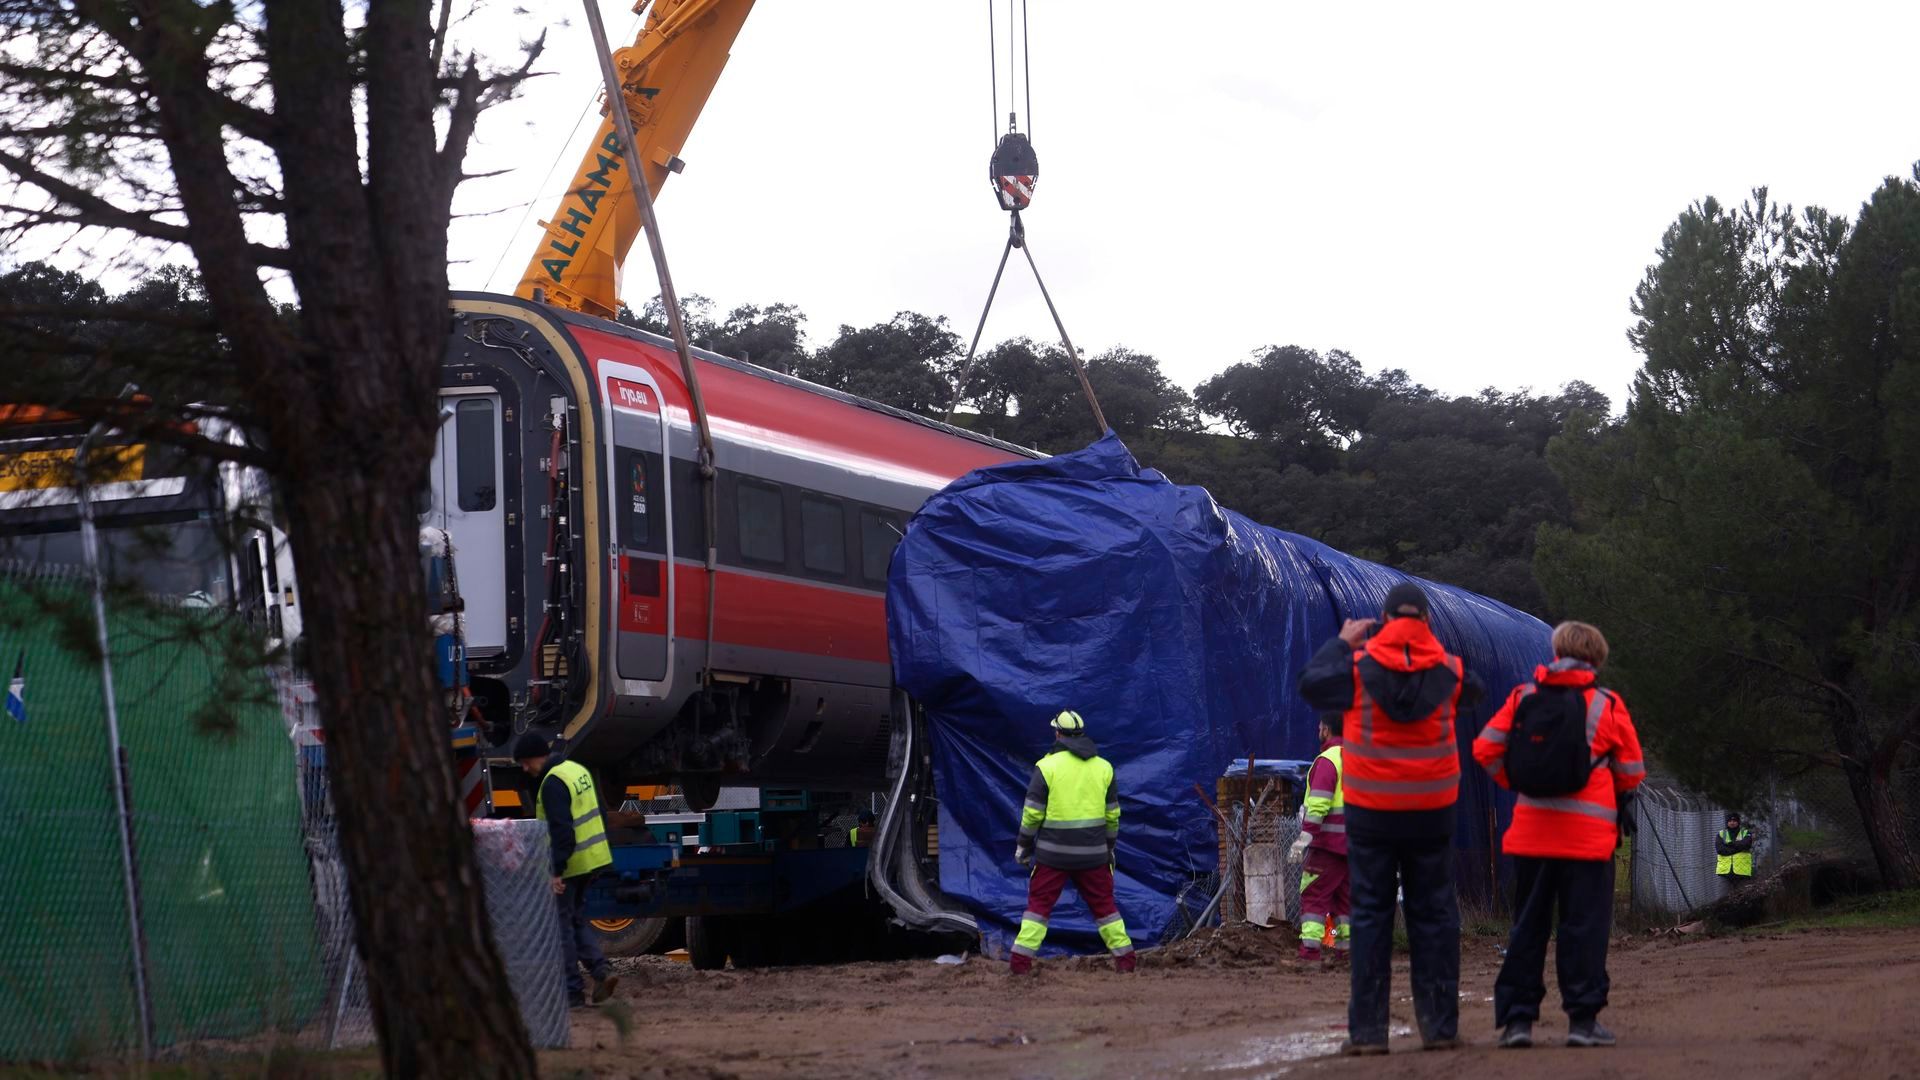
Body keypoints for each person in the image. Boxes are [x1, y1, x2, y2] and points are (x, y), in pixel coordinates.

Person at [1298, 582, 1483, 1054]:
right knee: (1434, 913)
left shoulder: (1357, 669)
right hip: (1432, 811)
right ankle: (1440, 1029)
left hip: (1372, 813)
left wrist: (1343, 643)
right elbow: (1474, 692)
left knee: (1370, 915)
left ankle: (1367, 1034)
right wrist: (1427, 650)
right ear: (1427, 621)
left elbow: (1312, 683)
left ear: (1382, 621)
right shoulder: (1449, 671)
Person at [1472, 620, 1646, 1050]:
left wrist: (1519, 781)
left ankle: (1517, 1022)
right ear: (1597, 658)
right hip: (1589, 841)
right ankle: (1582, 1023)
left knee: (1527, 928)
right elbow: (1631, 771)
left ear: (1556, 652)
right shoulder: (1606, 704)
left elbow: (1485, 748)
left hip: (1532, 837)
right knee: (1583, 929)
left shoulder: (1523, 697)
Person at [1010, 710, 1135, 974]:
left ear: (1058, 734)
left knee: (1038, 908)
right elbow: (1112, 816)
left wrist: (1024, 847)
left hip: (1052, 856)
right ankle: (1126, 962)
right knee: (1105, 908)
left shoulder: (1047, 767)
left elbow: (1032, 814)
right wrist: (1108, 848)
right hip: (1093, 856)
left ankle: (1020, 966)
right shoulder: (1104, 767)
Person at [514, 732, 618, 1008]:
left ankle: (573, 992)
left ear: (537, 756)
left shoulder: (552, 783)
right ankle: (601, 971)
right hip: (593, 858)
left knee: (561, 929)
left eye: (525, 762)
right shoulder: (576, 770)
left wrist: (555, 871)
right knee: (575, 920)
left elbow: (562, 833)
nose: (525, 769)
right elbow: (601, 813)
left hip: (571, 864)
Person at [1290, 713, 1349, 965]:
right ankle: (1348, 953)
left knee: (1313, 896)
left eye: (1320, 726)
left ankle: (1310, 954)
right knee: (1345, 902)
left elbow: (1318, 806)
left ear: (1327, 729)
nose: (1318, 730)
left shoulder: (1328, 761)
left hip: (1327, 847)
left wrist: (1303, 840)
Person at [1716, 812, 1755, 883]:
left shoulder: (1745, 833)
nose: (1732, 823)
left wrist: (1730, 844)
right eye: (1730, 821)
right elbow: (1720, 850)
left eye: (1734, 821)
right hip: (1725, 872)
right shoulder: (1721, 834)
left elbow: (1746, 844)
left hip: (1742, 871)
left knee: (1742, 889)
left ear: (1738, 822)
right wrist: (1738, 848)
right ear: (1727, 822)